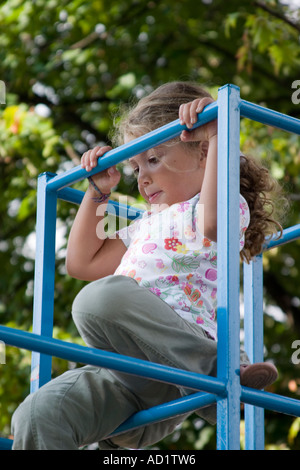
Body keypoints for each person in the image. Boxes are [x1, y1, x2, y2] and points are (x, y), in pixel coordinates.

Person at [12, 82, 283, 450]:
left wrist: (219, 131)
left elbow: (215, 225)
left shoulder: (220, 206)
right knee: (36, 413)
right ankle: (205, 375)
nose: (141, 178)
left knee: (98, 300)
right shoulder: (146, 223)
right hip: (124, 377)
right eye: (135, 166)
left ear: (204, 152)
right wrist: (98, 192)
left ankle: (217, 370)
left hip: (175, 370)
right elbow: (80, 263)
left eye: (153, 159)